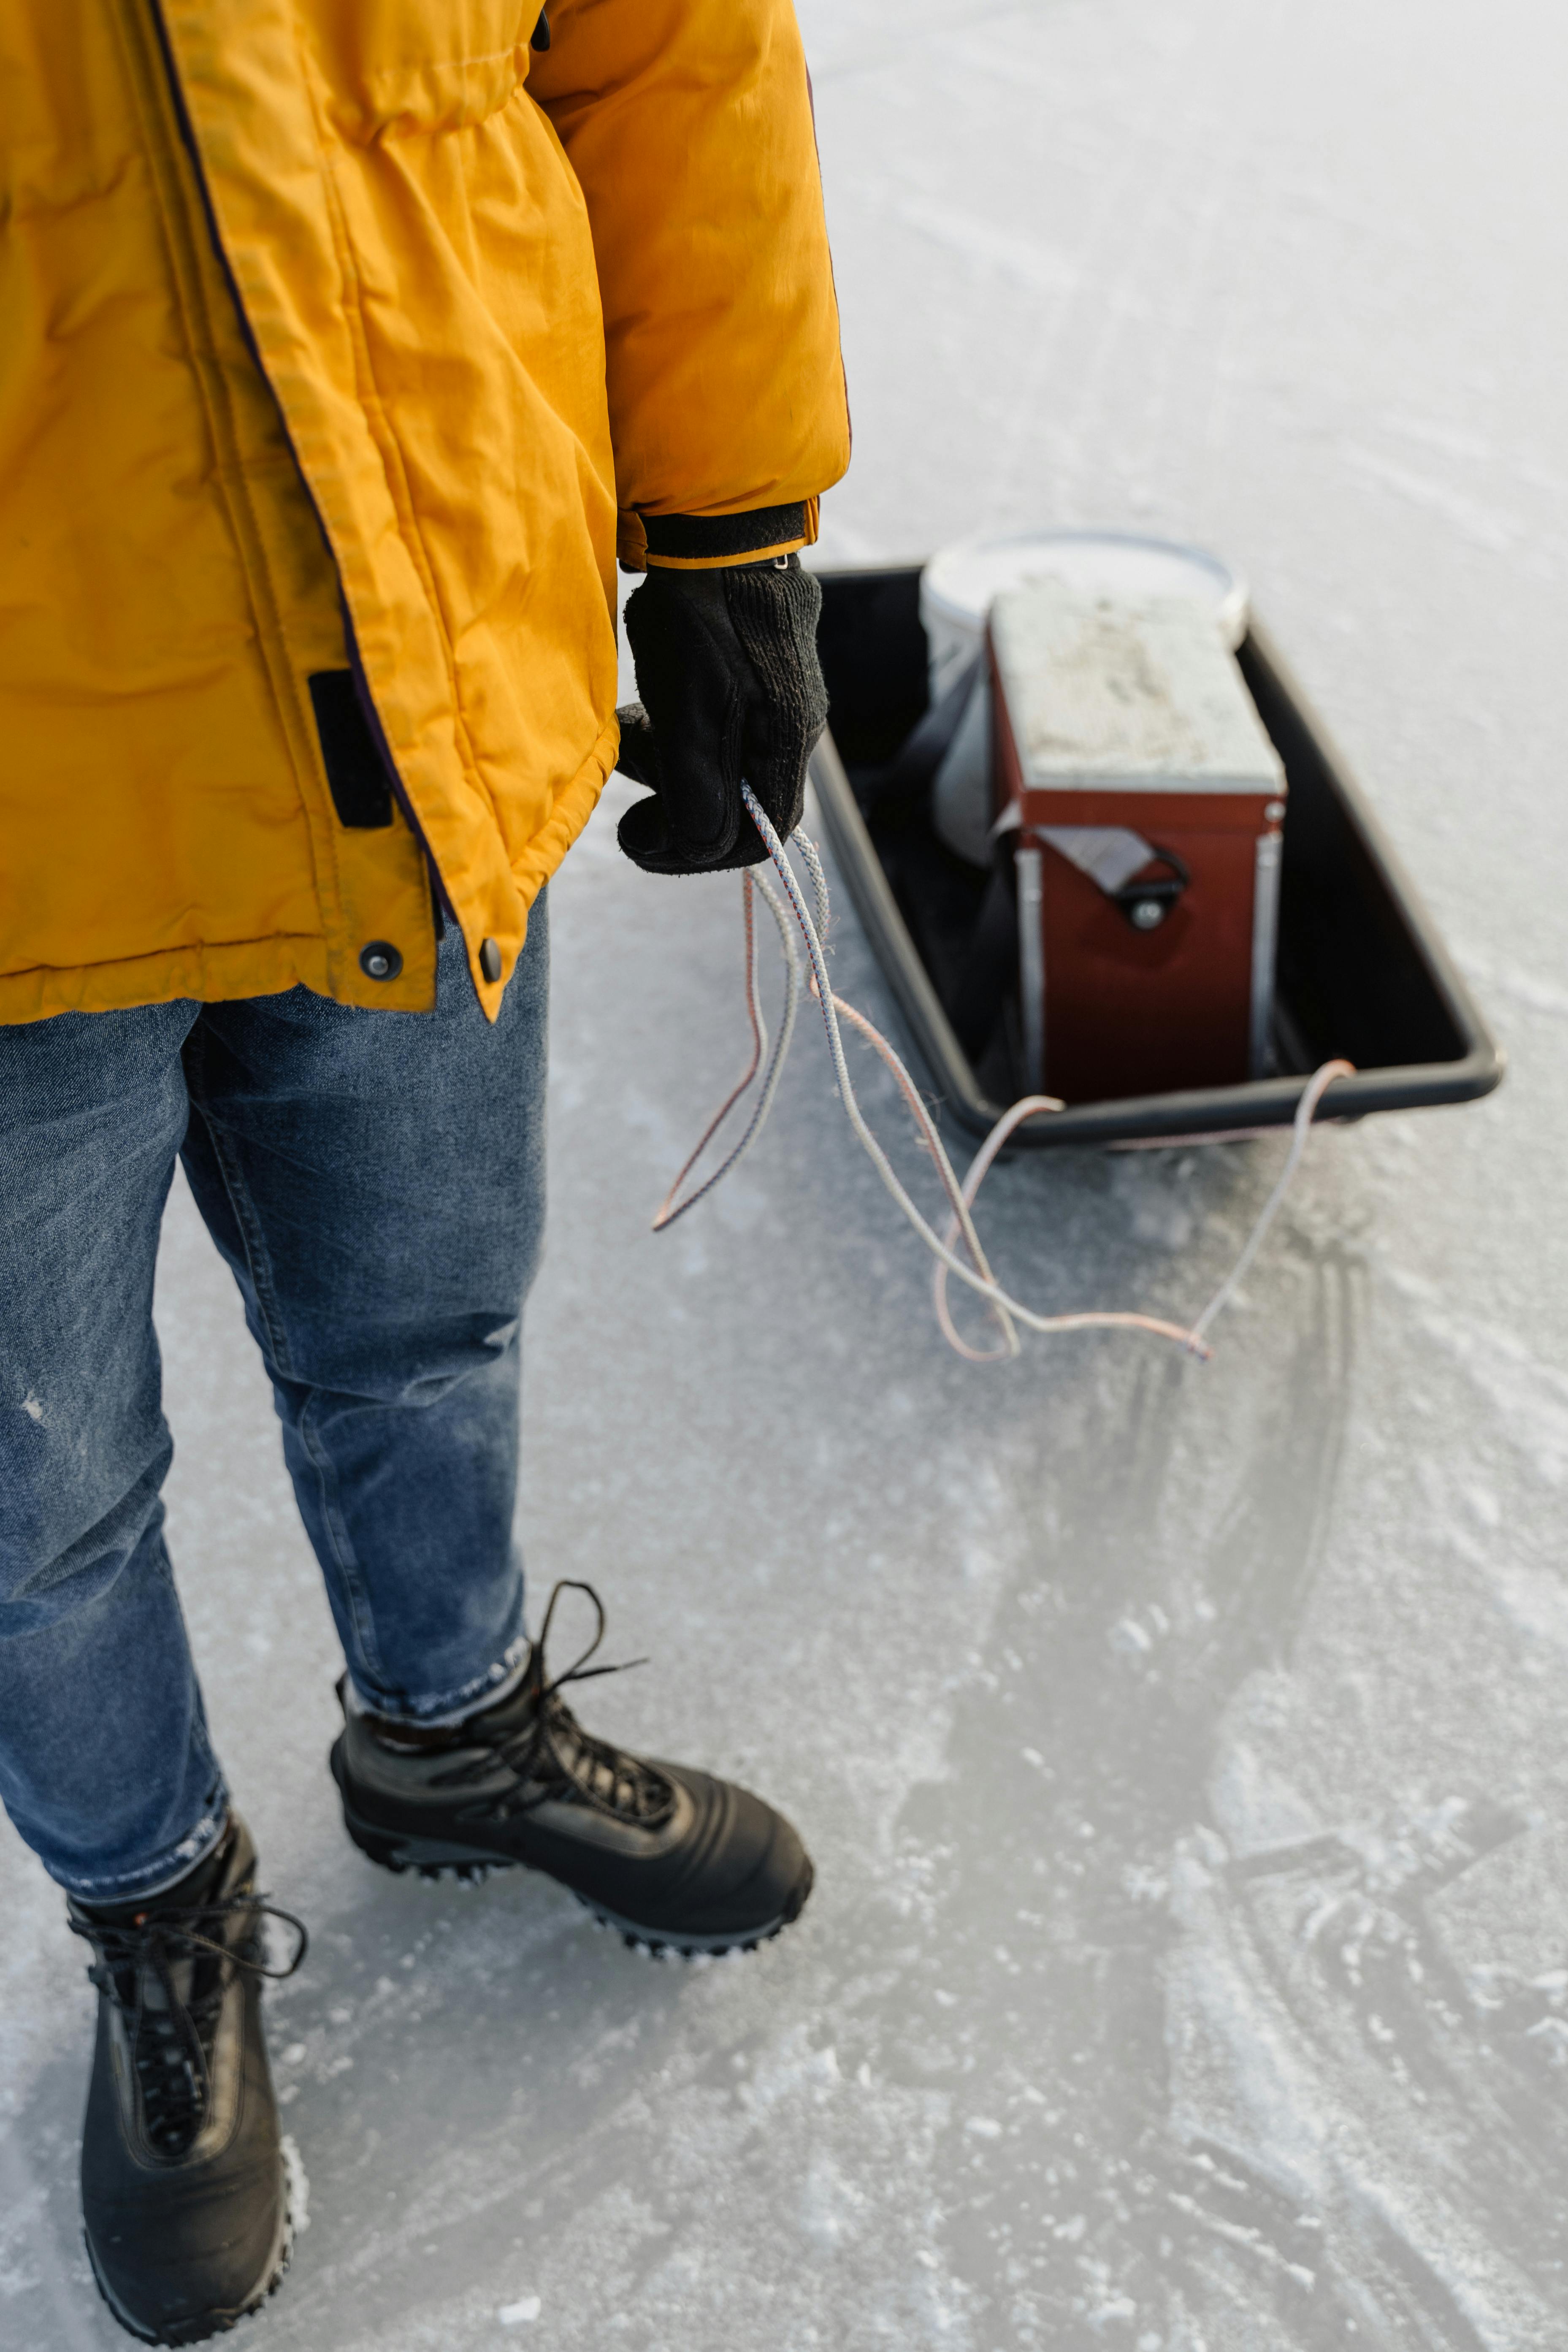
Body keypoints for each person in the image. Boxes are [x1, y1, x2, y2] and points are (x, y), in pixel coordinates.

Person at [0, 0, 849, 2337]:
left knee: (429, 1316)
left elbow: (661, 40)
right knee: (34, 1503)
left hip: (410, 668)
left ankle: (449, 1727)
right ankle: (155, 1901)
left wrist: (727, 511)